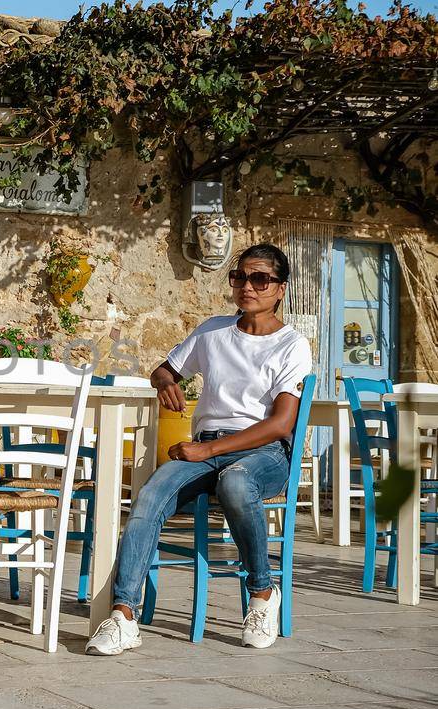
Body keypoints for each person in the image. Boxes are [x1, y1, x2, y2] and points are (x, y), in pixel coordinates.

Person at [87, 244, 312, 658]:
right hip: (207, 447)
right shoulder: (212, 331)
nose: (248, 286)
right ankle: (123, 616)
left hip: (261, 452)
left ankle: (262, 594)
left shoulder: (291, 345)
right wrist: (163, 381)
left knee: (237, 483)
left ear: (280, 289)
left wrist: (206, 452)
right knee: (150, 496)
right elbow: (165, 368)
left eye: (260, 278)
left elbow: (281, 424)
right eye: (240, 277)